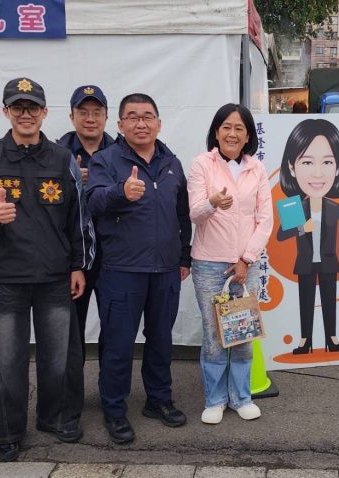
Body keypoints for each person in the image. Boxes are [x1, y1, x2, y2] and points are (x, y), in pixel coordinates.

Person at [0, 78, 86, 461]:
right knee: (4, 360)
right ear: (6, 111)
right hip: (7, 279)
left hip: (54, 277)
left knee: (60, 355)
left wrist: (78, 264)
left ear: (44, 112)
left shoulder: (62, 158)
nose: (26, 114)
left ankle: (57, 417)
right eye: (18, 107)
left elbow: (78, 218)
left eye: (33, 107)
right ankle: (7, 432)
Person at [86, 93, 192, 444]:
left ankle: (158, 400)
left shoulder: (172, 162)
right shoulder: (105, 160)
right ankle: (114, 410)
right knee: (118, 344)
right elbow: (93, 201)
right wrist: (121, 191)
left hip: (165, 270)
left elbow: (182, 215)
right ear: (120, 125)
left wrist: (184, 257)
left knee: (161, 340)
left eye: (147, 116)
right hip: (121, 270)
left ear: (158, 123)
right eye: (132, 117)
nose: (141, 123)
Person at [187, 103, 273, 424]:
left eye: (239, 128)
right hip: (209, 265)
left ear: (248, 135)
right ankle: (215, 400)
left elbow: (265, 219)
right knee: (213, 336)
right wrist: (212, 203)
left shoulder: (257, 169)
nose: (232, 133)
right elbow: (194, 213)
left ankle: (240, 398)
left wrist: (246, 259)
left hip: (244, 266)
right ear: (216, 131)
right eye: (226, 127)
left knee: (243, 333)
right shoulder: (202, 164)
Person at [277, 119, 339, 355]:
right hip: (305, 264)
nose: (317, 173)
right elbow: (281, 235)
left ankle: (332, 338)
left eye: (327, 162)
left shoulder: (333, 206)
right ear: (292, 168)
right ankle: (305, 341)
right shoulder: (294, 205)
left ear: (338, 168)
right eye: (307, 162)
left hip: (329, 262)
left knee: (330, 301)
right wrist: (302, 228)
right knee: (306, 302)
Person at [56, 84, 113, 355]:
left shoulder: (121, 150)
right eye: (83, 112)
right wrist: (70, 181)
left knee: (114, 326)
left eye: (97, 112)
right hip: (71, 254)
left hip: (112, 252)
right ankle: (72, 382)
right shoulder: (56, 153)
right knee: (70, 327)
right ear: (72, 116)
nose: (90, 119)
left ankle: (109, 382)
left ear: (106, 116)